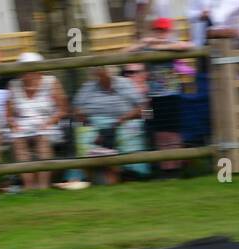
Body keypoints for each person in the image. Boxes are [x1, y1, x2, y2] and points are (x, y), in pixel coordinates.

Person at [127, 17, 192, 174]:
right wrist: (144, 43)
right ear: (153, 31)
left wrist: (161, 46)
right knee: (160, 134)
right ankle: (166, 169)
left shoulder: (171, 45)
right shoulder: (148, 47)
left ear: (169, 32)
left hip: (172, 95)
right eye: (158, 30)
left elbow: (188, 45)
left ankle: (176, 168)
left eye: (164, 30)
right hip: (155, 96)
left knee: (174, 133)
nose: (161, 33)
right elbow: (126, 52)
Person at [72, 64, 147, 184]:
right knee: (84, 134)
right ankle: (87, 176)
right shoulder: (88, 86)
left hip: (124, 120)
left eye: (103, 73)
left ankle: (133, 173)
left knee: (129, 132)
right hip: (93, 122)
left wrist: (123, 118)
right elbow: (76, 109)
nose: (100, 76)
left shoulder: (125, 84)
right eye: (98, 74)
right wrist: (86, 120)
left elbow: (141, 107)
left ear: (111, 72)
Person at [5, 53, 67, 189]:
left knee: (42, 139)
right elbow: (8, 115)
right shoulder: (13, 85)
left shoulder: (51, 82)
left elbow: (63, 110)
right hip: (23, 126)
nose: (26, 73)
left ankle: (43, 185)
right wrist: (13, 125)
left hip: (48, 123)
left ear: (39, 69)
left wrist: (49, 122)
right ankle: (29, 185)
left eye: (30, 68)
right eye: (23, 69)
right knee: (18, 141)